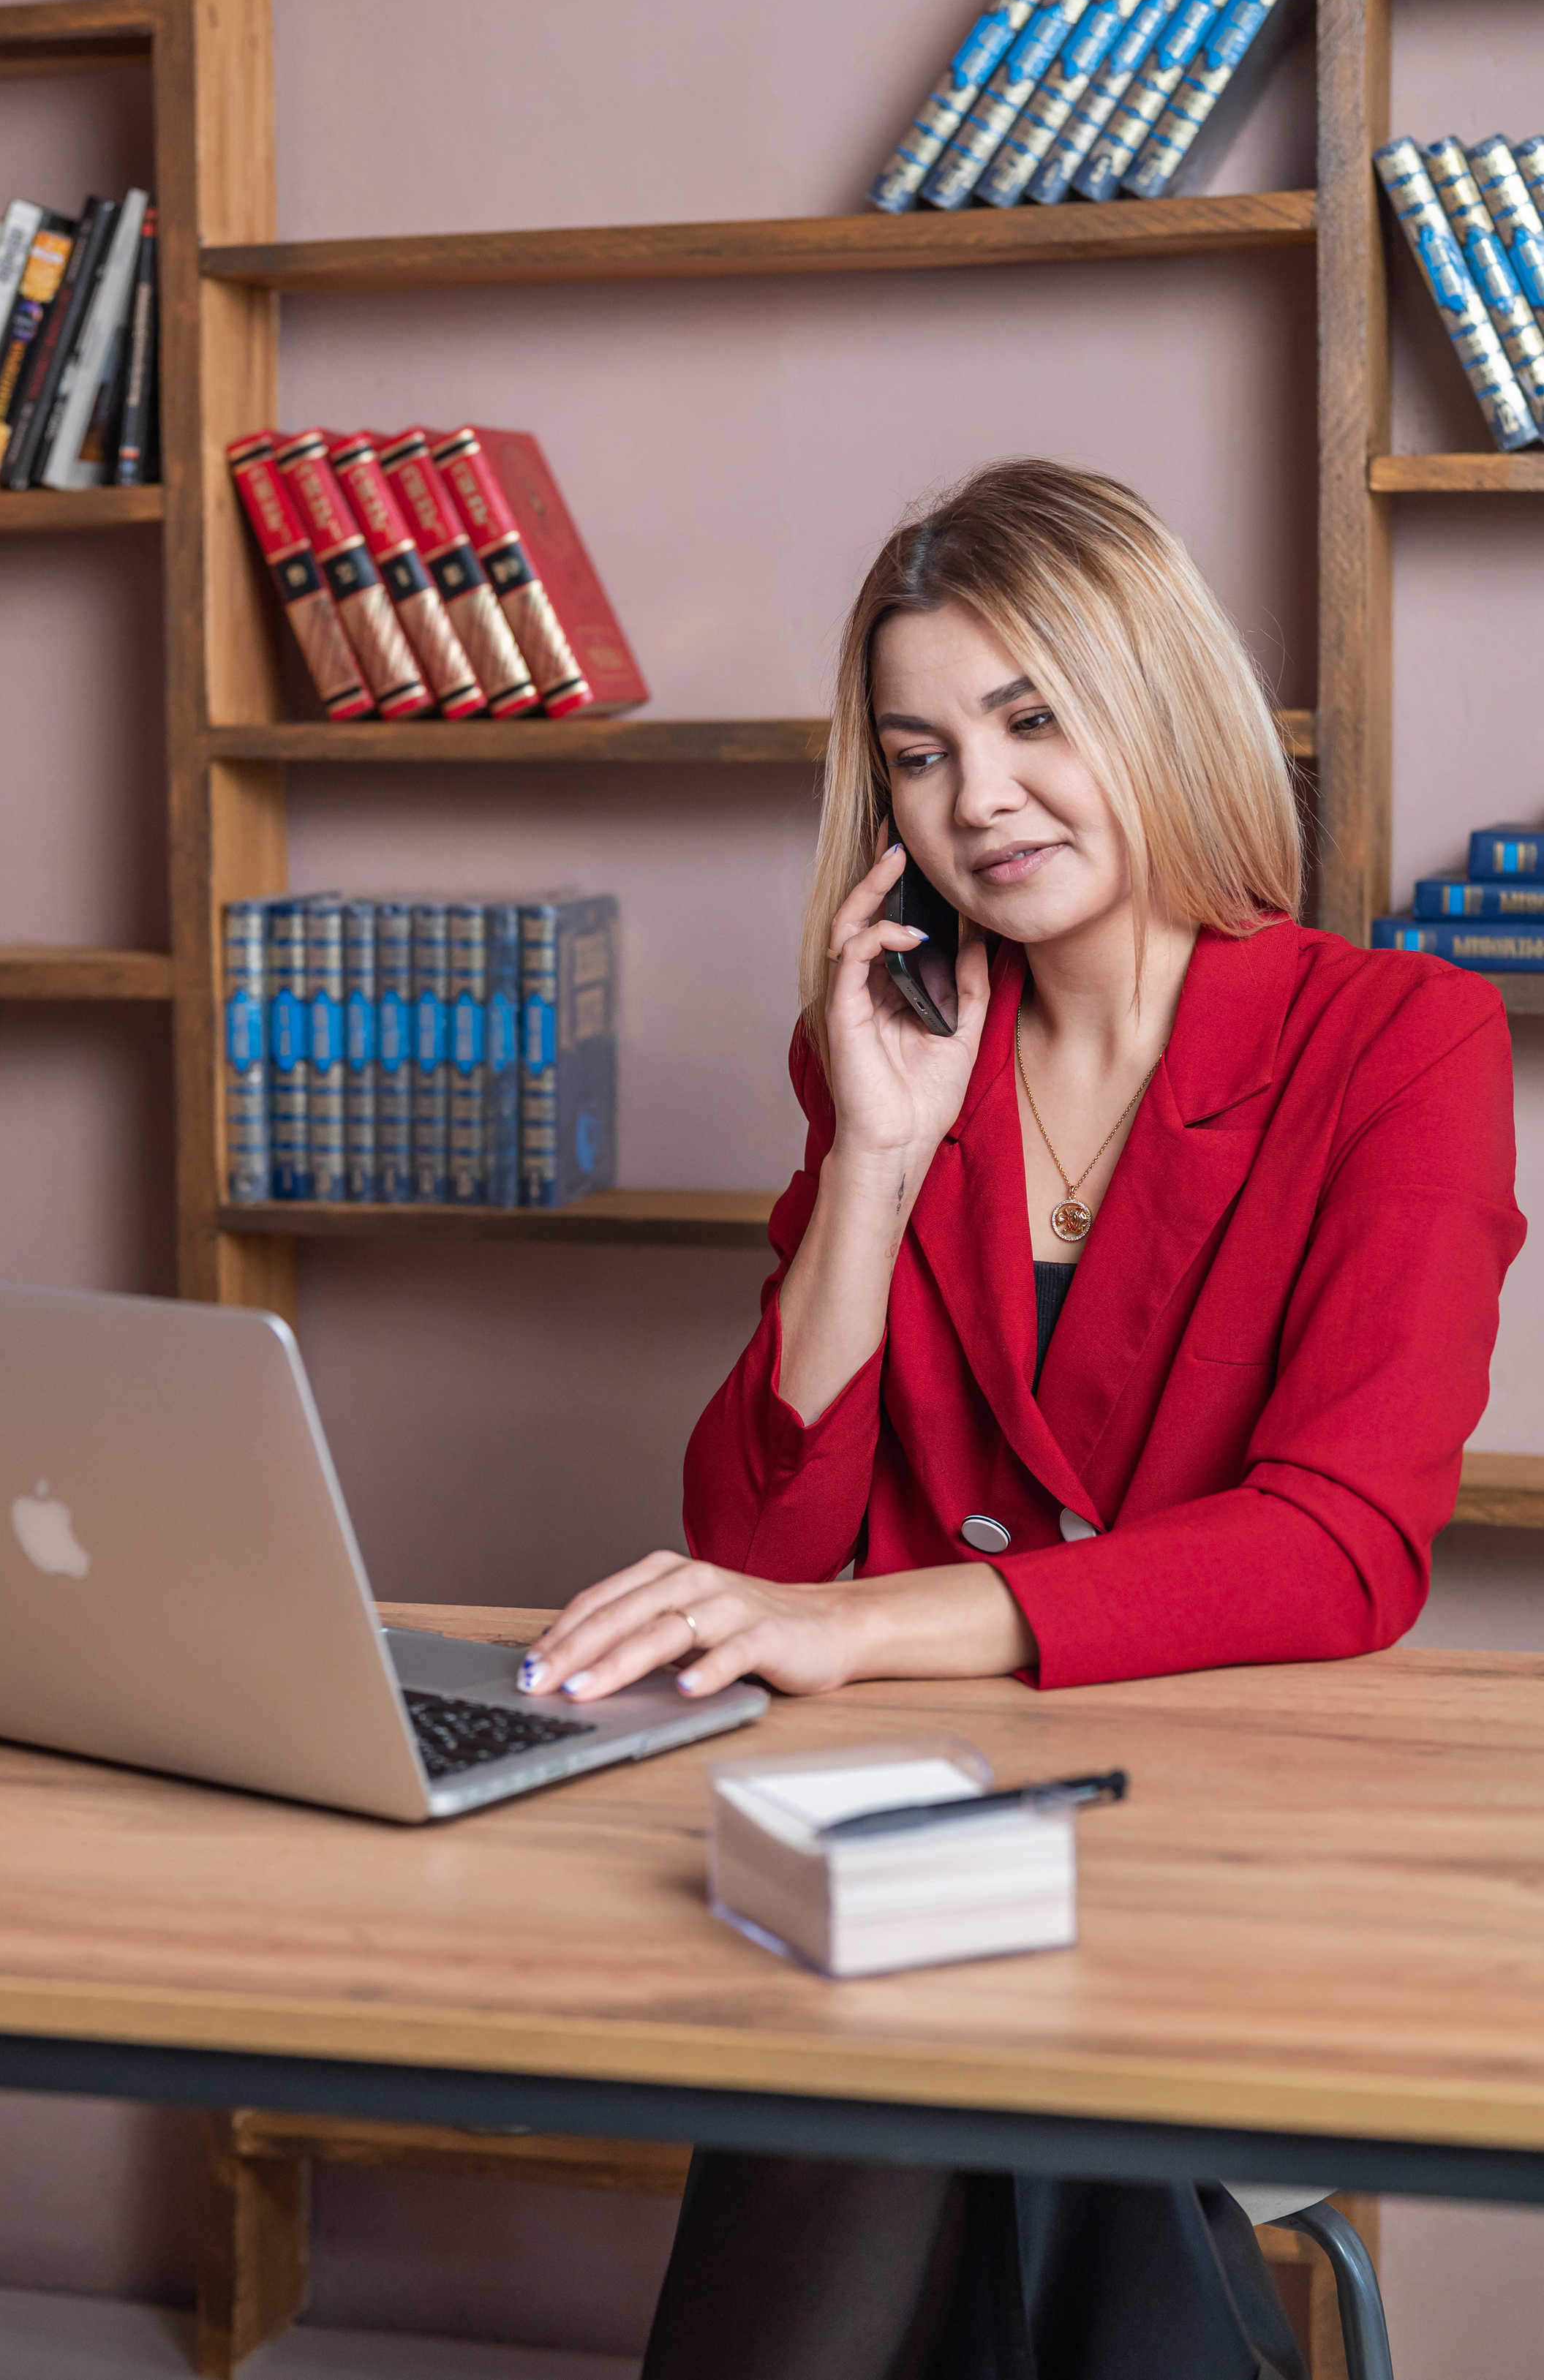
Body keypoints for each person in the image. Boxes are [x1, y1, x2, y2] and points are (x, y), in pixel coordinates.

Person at [516, 461, 1526, 2380]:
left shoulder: (1398, 1043)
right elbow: (756, 1538)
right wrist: (879, 1162)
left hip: (1243, 1833)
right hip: (937, 1825)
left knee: (899, 2015)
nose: (976, 797)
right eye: (917, 753)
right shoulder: (884, 1043)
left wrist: (856, 1631)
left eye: (1032, 716)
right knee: (916, 1986)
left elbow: (1345, 1542)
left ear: (1157, 703)